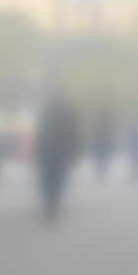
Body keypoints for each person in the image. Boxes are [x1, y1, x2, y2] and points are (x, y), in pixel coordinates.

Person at [35, 93, 81, 221]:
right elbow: (74, 135)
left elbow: (41, 134)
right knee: (59, 179)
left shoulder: (47, 113)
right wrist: (75, 152)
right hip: (62, 152)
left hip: (48, 151)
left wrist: (38, 151)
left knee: (47, 179)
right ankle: (53, 204)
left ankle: (49, 203)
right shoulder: (70, 114)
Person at [91, 111, 115, 181]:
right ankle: (101, 172)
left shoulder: (99, 128)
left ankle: (100, 172)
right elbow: (109, 138)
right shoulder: (106, 128)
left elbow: (95, 138)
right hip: (103, 147)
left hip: (101, 147)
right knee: (103, 160)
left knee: (101, 160)